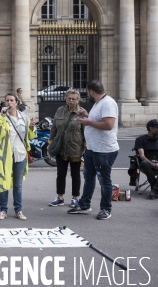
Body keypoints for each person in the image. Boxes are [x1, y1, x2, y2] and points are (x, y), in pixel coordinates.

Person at [68, 80, 118, 220]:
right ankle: (84, 205)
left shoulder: (107, 103)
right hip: (92, 148)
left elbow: (108, 125)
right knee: (89, 177)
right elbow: (98, 120)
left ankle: (106, 209)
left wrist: (88, 122)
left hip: (104, 149)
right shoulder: (98, 103)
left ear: (91, 91)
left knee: (104, 180)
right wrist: (87, 116)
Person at [0, 92, 36, 221]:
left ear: (17, 103)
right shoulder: (0, 117)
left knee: (18, 185)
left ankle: (18, 210)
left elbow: (29, 135)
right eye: (7, 100)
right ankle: (3, 210)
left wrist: (31, 128)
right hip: (6, 155)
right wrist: (2, 116)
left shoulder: (24, 117)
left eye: (12, 100)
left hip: (20, 154)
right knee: (4, 183)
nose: (9, 103)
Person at [48, 89, 87, 208]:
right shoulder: (60, 110)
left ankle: (75, 198)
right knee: (61, 174)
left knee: (75, 175)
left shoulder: (82, 112)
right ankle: (60, 197)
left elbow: (87, 131)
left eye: (73, 99)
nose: (71, 100)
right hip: (61, 147)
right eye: (69, 98)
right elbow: (54, 127)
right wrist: (50, 142)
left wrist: (85, 147)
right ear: (66, 99)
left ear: (78, 100)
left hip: (76, 148)